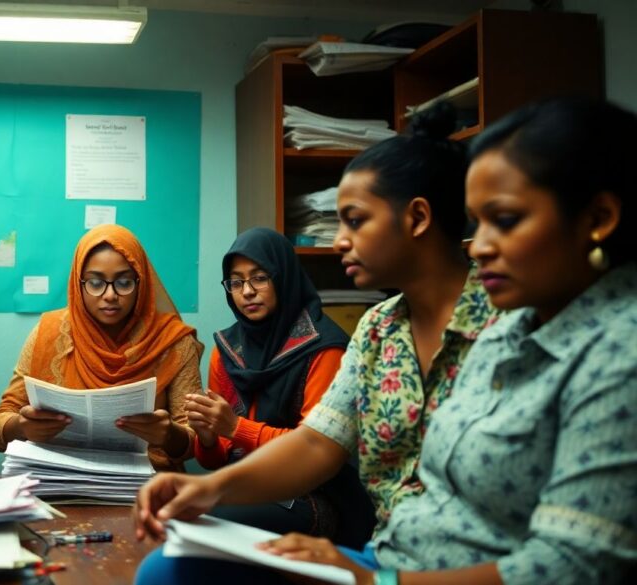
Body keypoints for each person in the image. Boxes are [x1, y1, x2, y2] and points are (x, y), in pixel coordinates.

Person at [134, 97, 637, 585]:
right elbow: (317, 442)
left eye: (503, 221)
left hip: (406, 560)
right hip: (393, 552)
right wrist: (206, 486)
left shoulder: (541, 329)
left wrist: (375, 580)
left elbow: (572, 561)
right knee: (169, 564)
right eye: (477, 222)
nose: (481, 245)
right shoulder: (383, 327)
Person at [186, 227, 372, 545]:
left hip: (312, 493)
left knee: (208, 522)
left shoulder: (324, 348)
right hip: (245, 481)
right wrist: (206, 435)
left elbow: (316, 447)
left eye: (259, 278)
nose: (247, 291)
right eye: (236, 281)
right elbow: (218, 459)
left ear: (283, 277)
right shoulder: (228, 351)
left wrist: (235, 426)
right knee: (187, 517)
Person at [0, 224, 203, 471]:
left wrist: (170, 435)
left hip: (148, 490)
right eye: (95, 282)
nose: (110, 295)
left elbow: (196, 443)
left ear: (141, 281)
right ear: (77, 283)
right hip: (60, 481)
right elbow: (1, 419)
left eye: (124, 282)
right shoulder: (47, 333)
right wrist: (21, 426)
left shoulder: (173, 341)